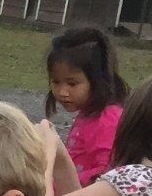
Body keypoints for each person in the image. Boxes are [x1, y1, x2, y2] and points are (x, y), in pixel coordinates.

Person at [44, 25, 129, 187]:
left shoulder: (108, 119)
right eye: (56, 82)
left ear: (97, 80)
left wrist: (59, 182)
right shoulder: (88, 113)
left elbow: (107, 172)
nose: (62, 91)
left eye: (72, 83)